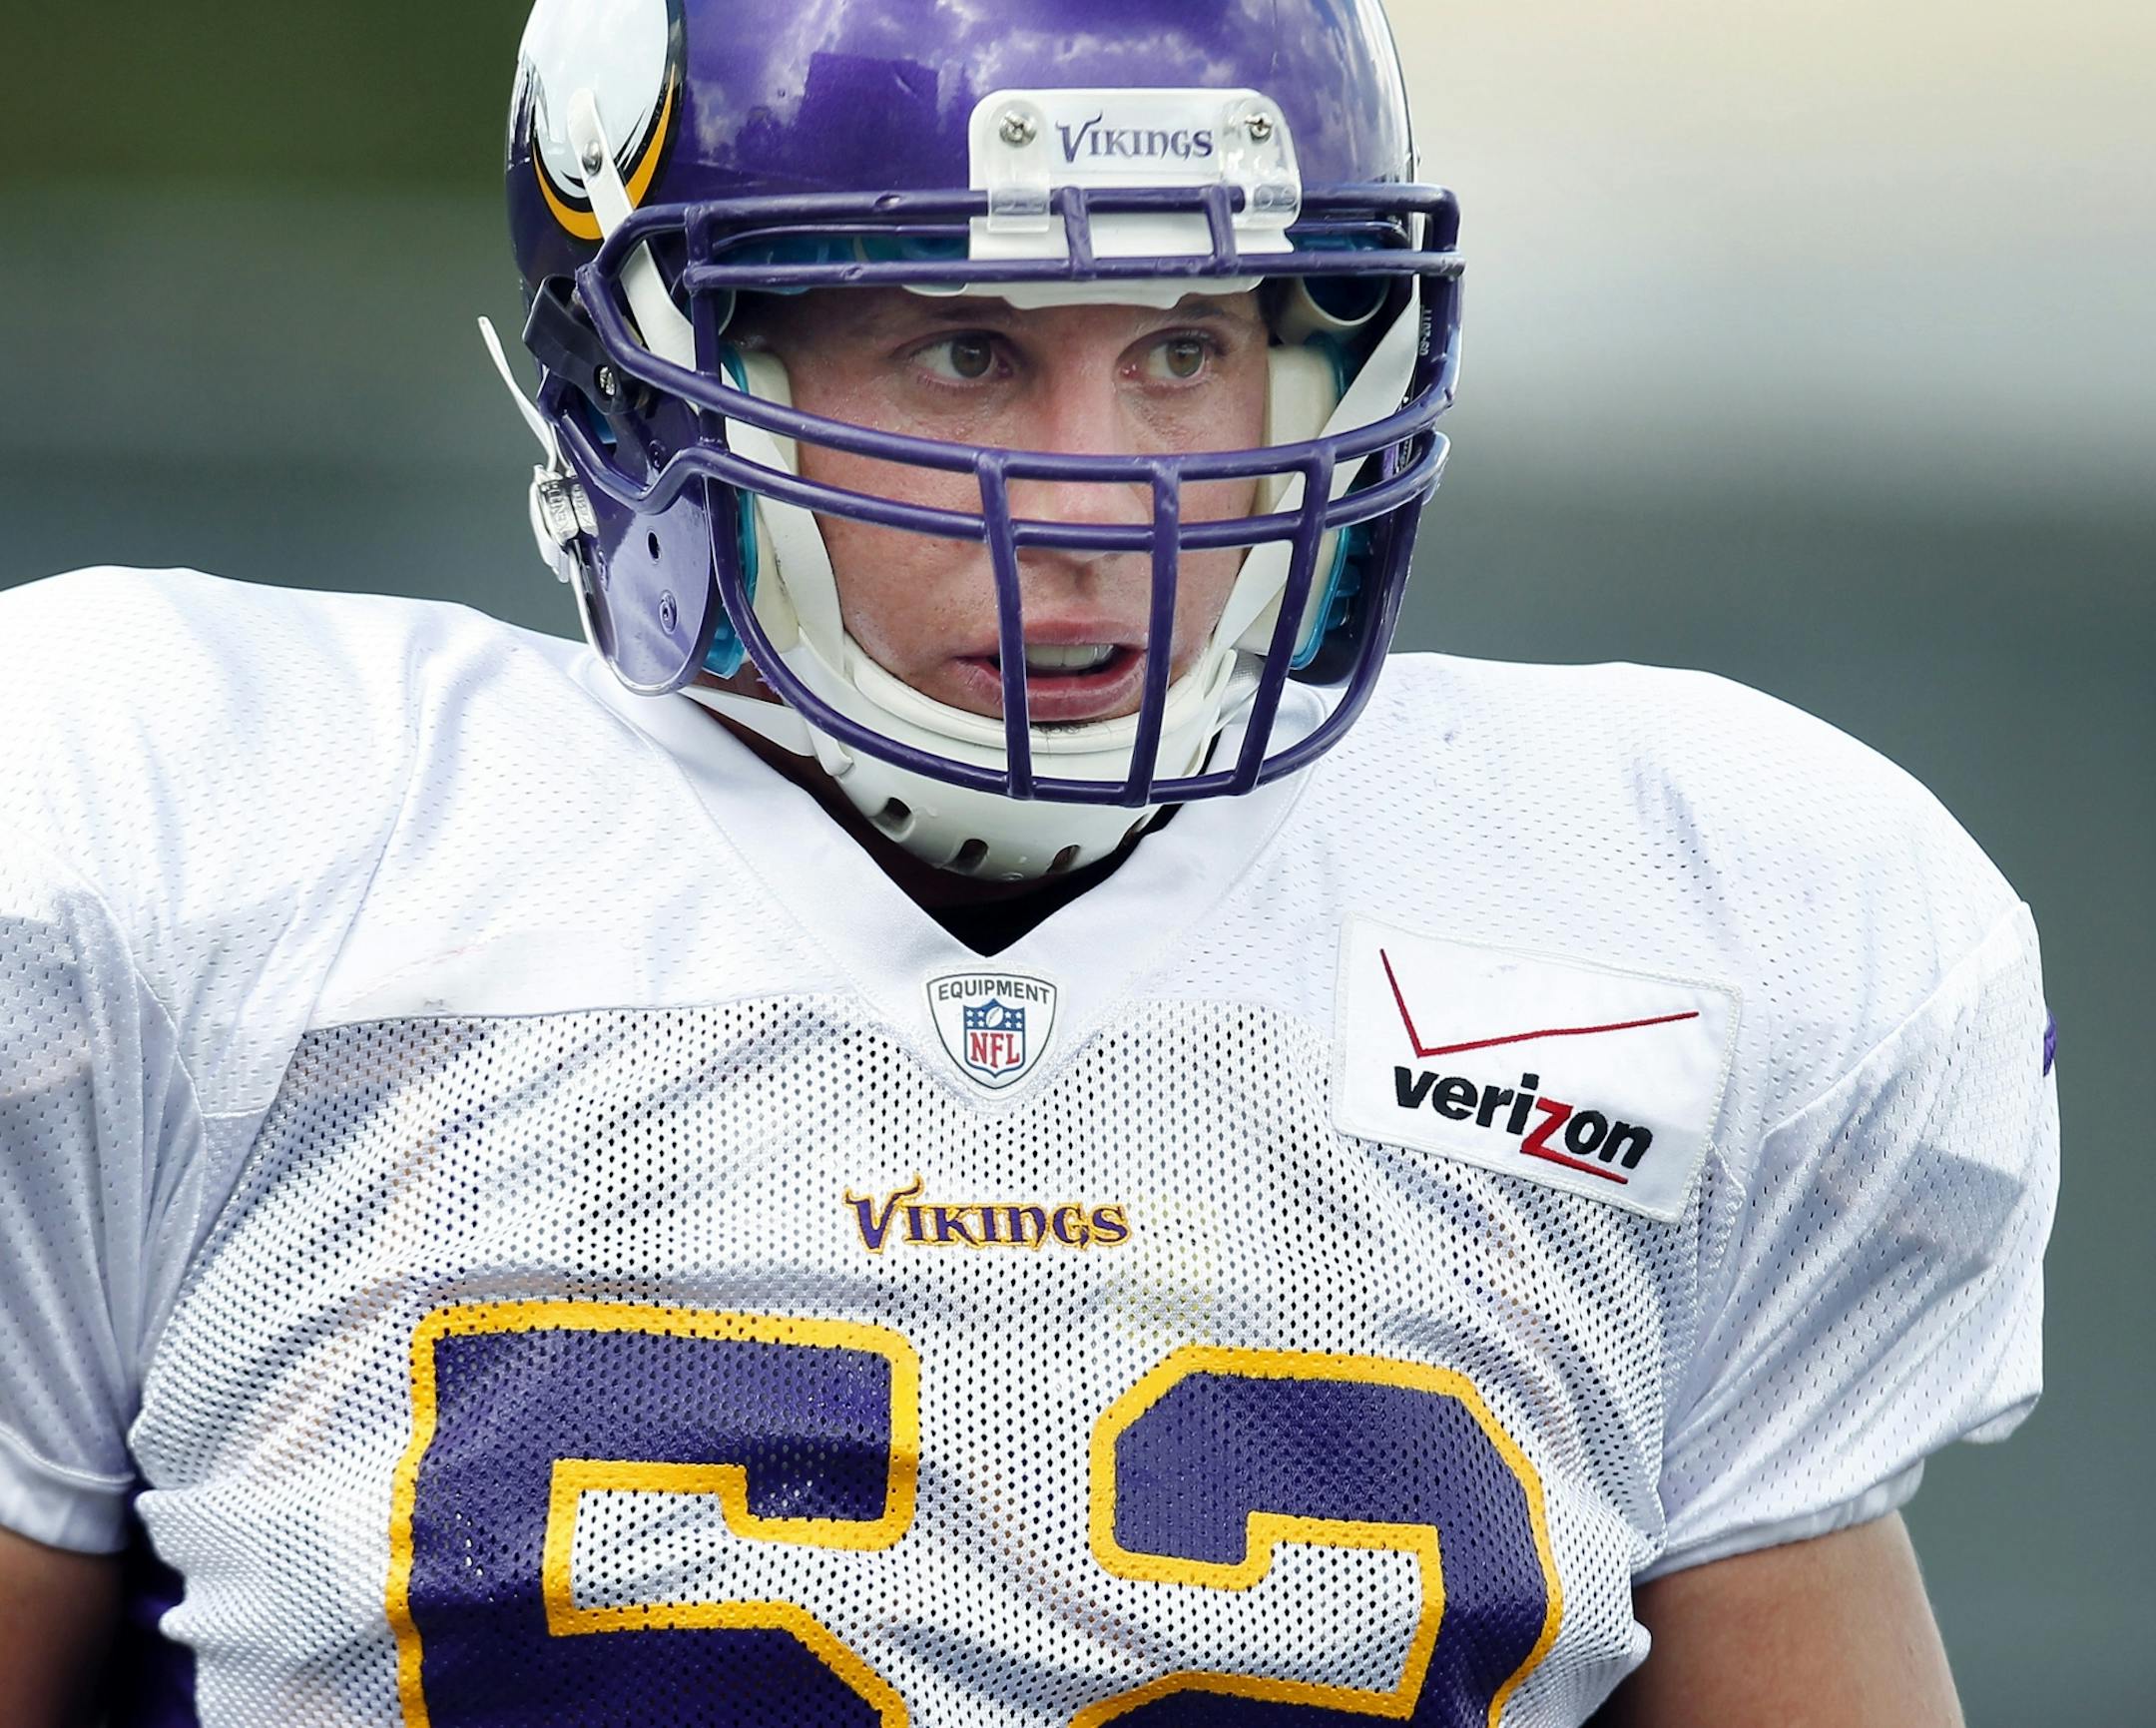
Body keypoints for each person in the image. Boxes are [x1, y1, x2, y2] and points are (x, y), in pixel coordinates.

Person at [0, 0, 2057, 1722]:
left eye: (1183, 349)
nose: (1098, 497)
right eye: (967, 352)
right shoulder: (202, 850)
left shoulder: (1682, 906)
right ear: (651, 376)